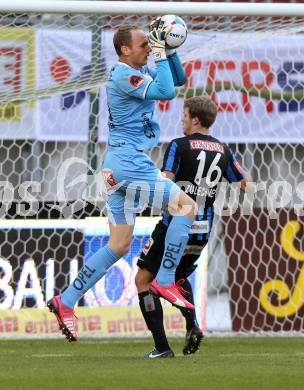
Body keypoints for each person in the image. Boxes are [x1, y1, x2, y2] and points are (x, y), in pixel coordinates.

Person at [47, 20, 198, 342]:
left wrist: (167, 51)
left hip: (116, 165)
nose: (147, 48)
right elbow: (167, 91)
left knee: (118, 245)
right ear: (124, 49)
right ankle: (166, 280)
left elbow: (179, 80)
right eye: (143, 45)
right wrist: (159, 52)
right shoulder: (121, 74)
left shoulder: (139, 72)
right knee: (186, 207)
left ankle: (66, 300)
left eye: (149, 44)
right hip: (130, 163)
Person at [135, 96, 252, 358]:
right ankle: (192, 326)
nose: (182, 120)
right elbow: (246, 182)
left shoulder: (179, 145)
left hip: (176, 223)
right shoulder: (223, 149)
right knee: (176, 277)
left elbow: (165, 182)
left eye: (185, 115)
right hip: (202, 229)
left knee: (143, 279)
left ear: (196, 119)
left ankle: (162, 347)